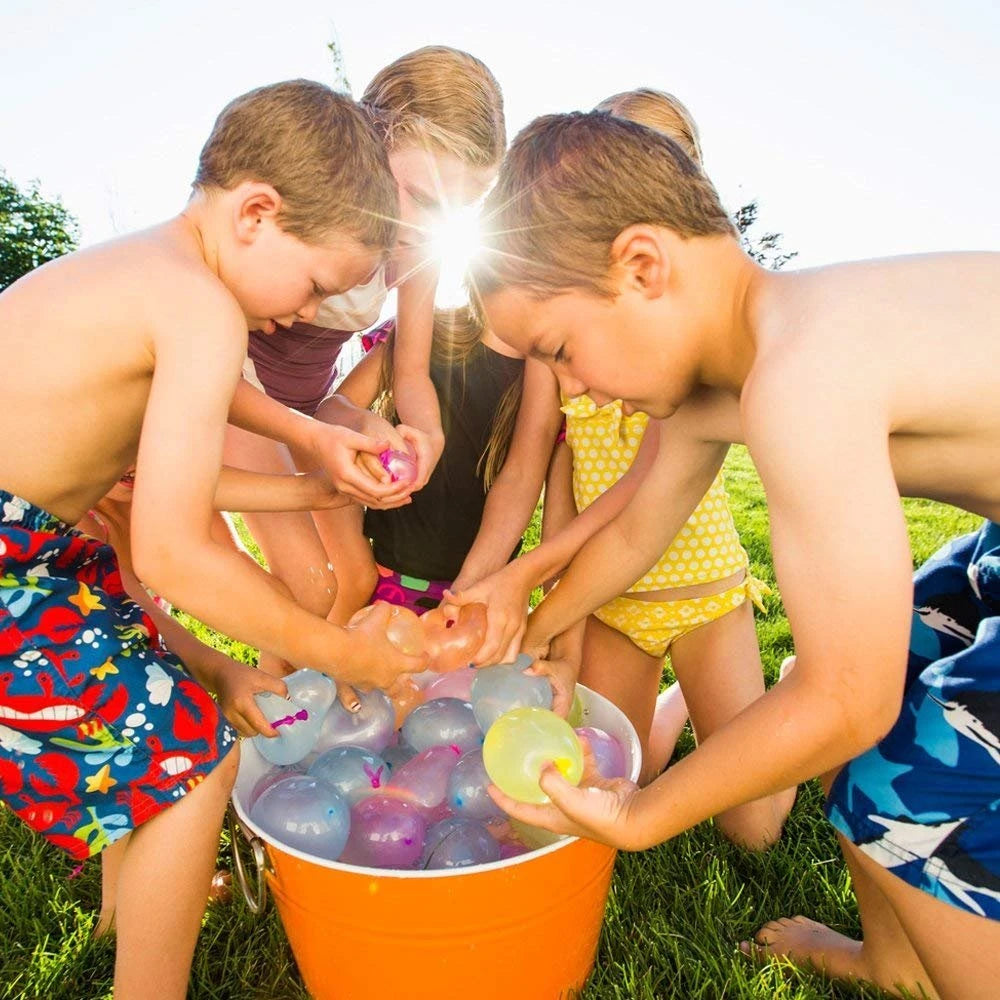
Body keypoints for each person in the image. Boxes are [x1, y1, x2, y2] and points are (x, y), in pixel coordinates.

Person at [467, 109, 1000, 999]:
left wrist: (638, 814)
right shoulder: (728, 378)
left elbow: (847, 700)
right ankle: (895, 963)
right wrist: (535, 624)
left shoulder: (801, 371)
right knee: (890, 661)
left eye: (558, 350)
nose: (564, 385)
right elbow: (637, 534)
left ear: (643, 266)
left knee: (911, 777)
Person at [0, 79, 423, 1000]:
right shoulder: (200, 307)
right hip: (14, 559)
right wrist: (342, 651)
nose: (306, 314)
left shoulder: (154, 278)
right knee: (190, 764)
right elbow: (171, 549)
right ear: (257, 213)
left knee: (148, 686)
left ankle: (133, 904)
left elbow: (161, 476)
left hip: (31, 549)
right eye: (315, 284)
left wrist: (312, 459)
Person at [513, 92, 789, 836]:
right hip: (612, 601)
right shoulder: (572, 343)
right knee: (616, 775)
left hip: (702, 592)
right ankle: (678, 719)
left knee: (756, 830)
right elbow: (553, 476)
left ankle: (707, 701)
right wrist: (537, 604)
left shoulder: (705, 360)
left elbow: (648, 508)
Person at [223, 47, 507, 665]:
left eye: (457, 211)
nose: (430, 226)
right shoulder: (303, 221)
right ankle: (272, 724)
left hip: (310, 405)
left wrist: (423, 431)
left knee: (353, 581)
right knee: (311, 584)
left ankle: (328, 712)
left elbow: (410, 373)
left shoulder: (418, 249)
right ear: (366, 144)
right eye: (423, 197)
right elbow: (213, 360)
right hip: (232, 396)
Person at [317, 304, 590, 702]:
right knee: (361, 704)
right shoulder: (423, 331)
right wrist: (362, 422)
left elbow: (522, 476)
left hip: (475, 608)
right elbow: (331, 409)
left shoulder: (548, 374)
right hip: (387, 586)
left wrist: (462, 601)